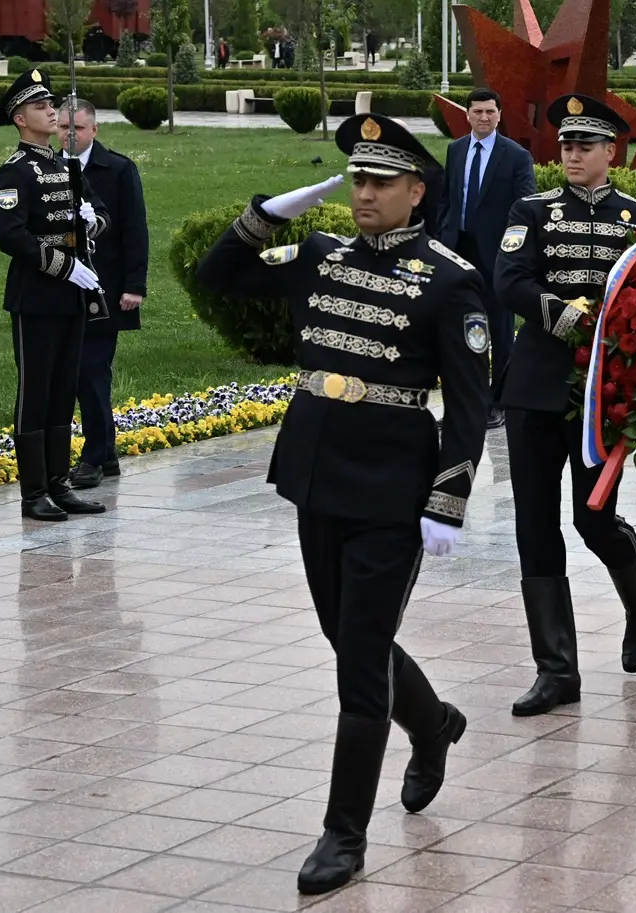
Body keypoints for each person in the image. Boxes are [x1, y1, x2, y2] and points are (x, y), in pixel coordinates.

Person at [197, 114, 486, 895]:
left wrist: (448, 496)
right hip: (315, 475)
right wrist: (267, 214)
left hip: (392, 490)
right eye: (357, 179)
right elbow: (219, 274)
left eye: (380, 181)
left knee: (359, 657)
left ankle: (343, 833)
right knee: (347, 635)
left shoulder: (450, 279)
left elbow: (469, 403)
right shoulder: (319, 255)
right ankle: (434, 723)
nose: (363, 193)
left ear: (416, 191)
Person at [496, 95, 636, 715]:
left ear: (610, 152)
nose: (571, 154)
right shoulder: (532, 210)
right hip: (535, 386)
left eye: (584, 146)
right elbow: (510, 279)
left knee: (593, 519)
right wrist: (564, 316)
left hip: (601, 395)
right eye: (566, 144)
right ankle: (556, 670)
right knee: (535, 524)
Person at [0, 70, 108, 521]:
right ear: (21, 119)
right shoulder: (15, 171)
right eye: (40, 107)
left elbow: (100, 215)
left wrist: (91, 222)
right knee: (35, 392)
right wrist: (64, 266)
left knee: (63, 391)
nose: (51, 111)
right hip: (37, 297)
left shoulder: (65, 166)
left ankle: (60, 484)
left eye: (51, 105)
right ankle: (34, 492)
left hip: (71, 298)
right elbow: (11, 235)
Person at [58, 98, 147, 490]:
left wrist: (134, 286)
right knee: (74, 373)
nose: (69, 135)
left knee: (92, 372)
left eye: (77, 128)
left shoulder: (118, 169)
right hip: (60, 289)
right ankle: (107, 454)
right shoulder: (47, 168)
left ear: (94, 130)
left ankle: (93, 457)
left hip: (105, 290)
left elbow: (134, 229)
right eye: (64, 127)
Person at [438, 88, 536, 425]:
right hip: (458, 251)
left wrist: (513, 252)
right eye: (477, 111)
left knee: (500, 330)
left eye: (490, 111)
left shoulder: (516, 156)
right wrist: (442, 234)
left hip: (497, 255)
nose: (484, 117)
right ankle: (464, 402)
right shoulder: (456, 150)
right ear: (467, 114)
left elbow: (525, 208)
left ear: (499, 114)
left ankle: (498, 402)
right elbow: (447, 198)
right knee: (459, 329)